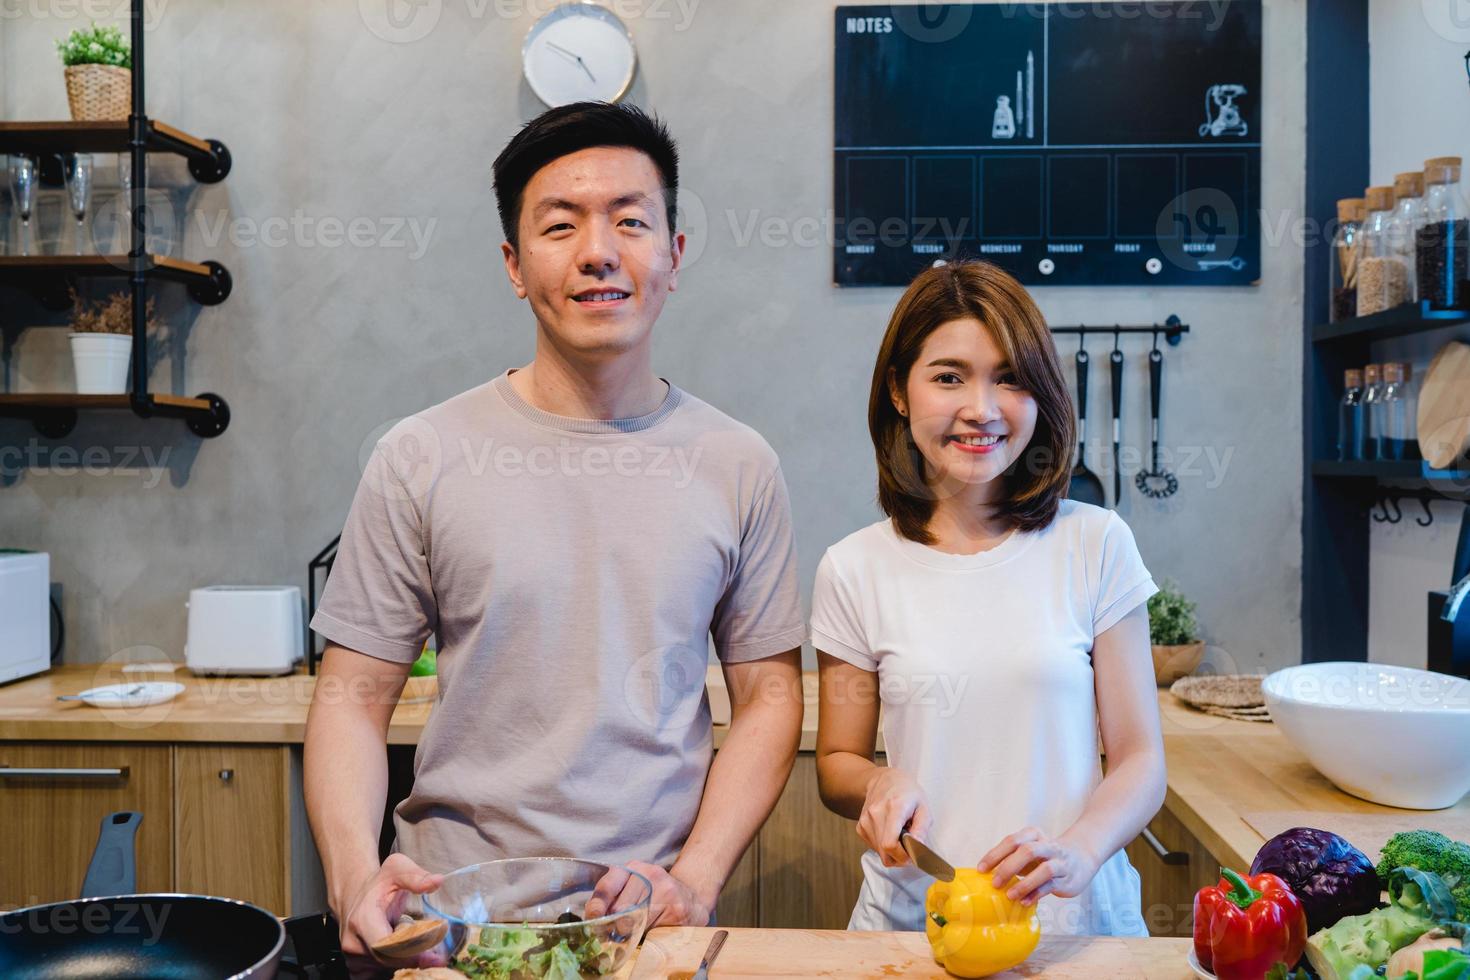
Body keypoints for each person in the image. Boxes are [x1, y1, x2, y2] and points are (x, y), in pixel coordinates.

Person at [304, 102, 806, 977]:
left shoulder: (739, 464)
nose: (599, 251)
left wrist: (695, 875)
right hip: (448, 927)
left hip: (646, 925)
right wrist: (353, 881)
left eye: (631, 221)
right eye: (561, 225)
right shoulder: (420, 454)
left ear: (674, 256)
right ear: (513, 264)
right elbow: (350, 696)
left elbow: (768, 695)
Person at [810, 260, 1166, 937]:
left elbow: (1140, 759)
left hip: (1078, 932)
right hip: (914, 930)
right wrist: (876, 785)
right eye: (949, 376)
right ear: (899, 391)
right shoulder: (853, 568)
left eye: (1010, 377)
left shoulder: (1096, 543)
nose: (982, 407)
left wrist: (1082, 851)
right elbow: (836, 764)